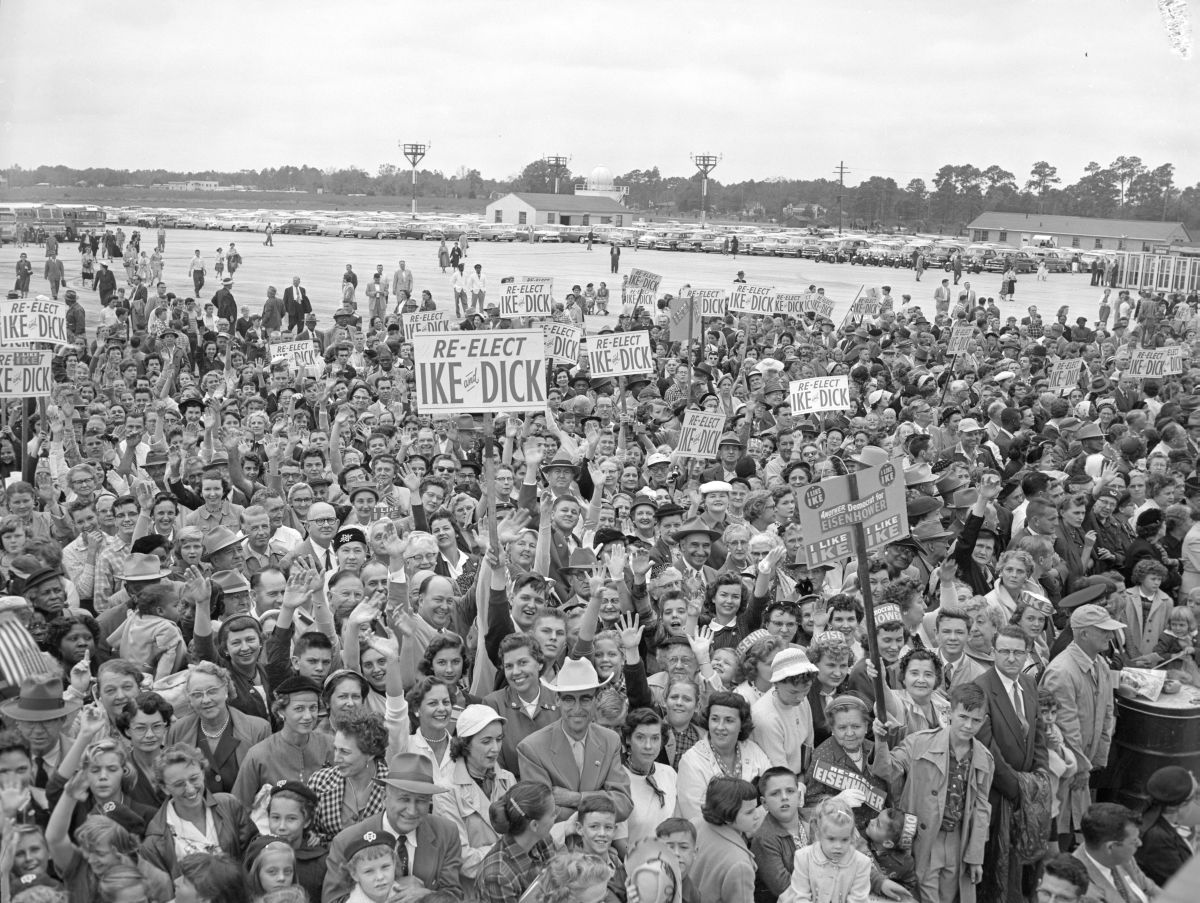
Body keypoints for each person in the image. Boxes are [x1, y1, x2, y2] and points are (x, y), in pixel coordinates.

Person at [872, 683, 996, 903]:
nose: (968, 725)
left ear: (984, 720)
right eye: (963, 717)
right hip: (924, 838)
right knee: (925, 894)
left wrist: (976, 857)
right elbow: (886, 771)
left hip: (958, 838)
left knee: (949, 895)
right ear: (949, 713)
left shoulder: (984, 758)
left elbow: (982, 809)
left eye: (976, 720)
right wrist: (880, 740)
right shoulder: (919, 742)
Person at [322, 753, 463, 903]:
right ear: (384, 798)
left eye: (421, 801)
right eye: (404, 799)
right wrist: (387, 890)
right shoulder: (347, 841)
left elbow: (454, 895)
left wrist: (426, 895)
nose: (412, 810)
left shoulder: (446, 833)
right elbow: (333, 900)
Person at [516, 657, 633, 825]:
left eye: (585, 699)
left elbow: (623, 803)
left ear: (595, 700)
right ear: (557, 700)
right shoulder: (531, 748)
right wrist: (600, 802)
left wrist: (576, 799)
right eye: (569, 699)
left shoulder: (610, 740)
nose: (577, 709)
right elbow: (540, 812)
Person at [474, 780, 556, 903]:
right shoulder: (498, 876)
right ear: (534, 825)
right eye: (552, 814)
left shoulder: (543, 839)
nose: (556, 817)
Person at [779, 798, 872, 903]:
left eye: (845, 839)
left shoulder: (862, 863)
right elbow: (801, 896)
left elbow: (858, 899)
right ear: (819, 835)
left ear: (851, 837)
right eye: (831, 839)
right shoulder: (803, 857)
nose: (838, 846)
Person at [688, 776, 763, 903]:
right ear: (727, 814)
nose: (757, 815)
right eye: (749, 812)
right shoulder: (740, 865)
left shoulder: (695, 824)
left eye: (756, 807)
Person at [1072, 803, 1160, 903]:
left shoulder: (1122, 856)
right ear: (1111, 847)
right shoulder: (1080, 889)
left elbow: (1149, 887)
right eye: (1134, 841)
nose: (1140, 843)